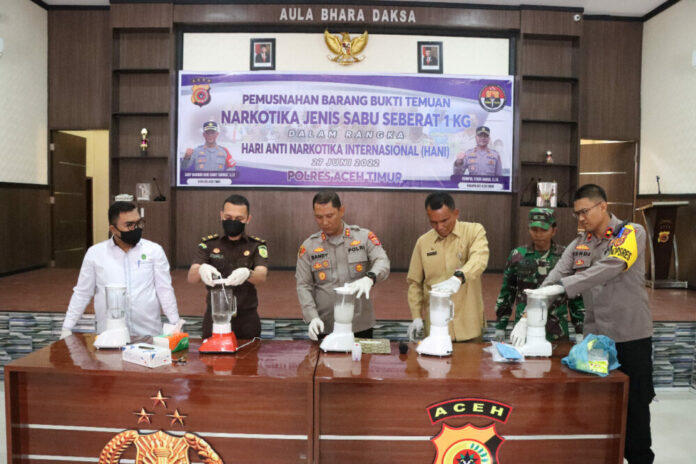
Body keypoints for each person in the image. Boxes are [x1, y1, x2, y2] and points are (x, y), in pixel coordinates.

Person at [538, 184, 654, 464]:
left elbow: (610, 267)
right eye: (576, 214)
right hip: (597, 338)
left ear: (603, 206)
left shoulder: (630, 233)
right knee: (599, 404)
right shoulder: (580, 243)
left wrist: (564, 287)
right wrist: (535, 305)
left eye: (585, 211)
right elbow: (556, 274)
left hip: (630, 335)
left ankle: (639, 459)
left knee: (635, 407)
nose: (580, 218)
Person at [61, 201, 181, 338]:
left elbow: (164, 289)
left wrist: (175, 323)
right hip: (109, 334)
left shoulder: (154, 251)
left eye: (139, 223)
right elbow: (82, 292)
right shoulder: (95, 253)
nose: (136, 228)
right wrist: (67, 327)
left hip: (148, 333)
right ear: (113, 229)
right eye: (129, 225)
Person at [296, 191, 390, 340]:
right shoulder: (308, 247)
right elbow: (303, 286)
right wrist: (312, 317)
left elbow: (382, 261)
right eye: (319, 217)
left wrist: (370, 277)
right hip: (325, 325)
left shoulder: (363, 237)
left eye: (329, 216)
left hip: (360, 325)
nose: (324, 222)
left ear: (341, 211)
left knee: (362, 356)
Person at [407, 192, 489, 342]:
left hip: (469, 327)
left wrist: (459, 277)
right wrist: (416, 317)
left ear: (456, 213)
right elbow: (415, 283)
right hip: (436, 327)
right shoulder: (423, 243)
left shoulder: (474, 231)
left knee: (472, 357)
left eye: (444, 220)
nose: (439, 227)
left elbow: (480, 259)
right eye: (433, 222)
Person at [494, 208, 584, 342]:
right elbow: (507, 292)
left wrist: (580, 329)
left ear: (554, 230)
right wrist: (500, 326)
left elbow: (575, 294)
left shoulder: (565, 256)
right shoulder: (518, 255)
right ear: (528, 229)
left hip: (556, 328)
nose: (538, 234)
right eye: (534, 230)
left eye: (543, 230)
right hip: (524, 326)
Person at [187, 194, 268, 339]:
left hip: (246, 318)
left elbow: (262, 276)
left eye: (239, 219)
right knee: (211, 353)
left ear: (248, 219)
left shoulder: (256, 245)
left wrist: (248, 273)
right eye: (228, 217)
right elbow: (192, 278)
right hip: (215, 316)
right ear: (221, 215)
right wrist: (201, 269)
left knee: (250, 353)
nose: (233, 222)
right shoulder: (209, 244)